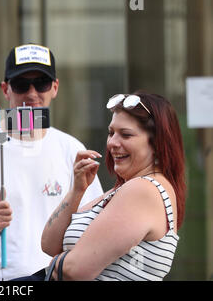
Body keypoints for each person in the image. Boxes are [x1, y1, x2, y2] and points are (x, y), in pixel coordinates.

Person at [0, 44, 103, 280]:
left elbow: (94, 231)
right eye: (21, 84)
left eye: (41, 83)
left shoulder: (72, 149)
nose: (32, 93)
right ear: (5, 89)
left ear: (55, 87)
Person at [40, 92, 186, 281]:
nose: (112, 143)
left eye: (125, 134)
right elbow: (49, 245)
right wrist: (77, 190)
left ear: (157, 143)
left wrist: (58, 265)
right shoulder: (127, 188)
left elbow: (75, 269)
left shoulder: (143, 190)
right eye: (111, 133)